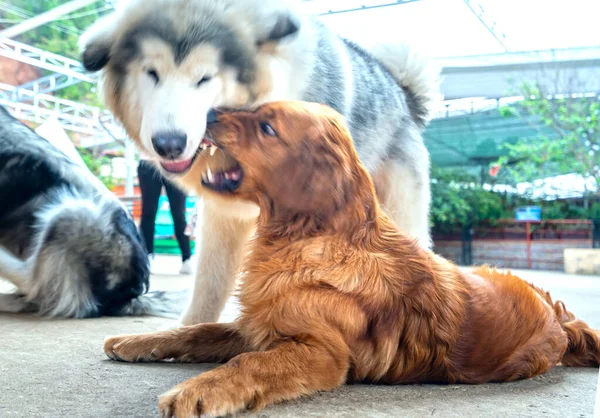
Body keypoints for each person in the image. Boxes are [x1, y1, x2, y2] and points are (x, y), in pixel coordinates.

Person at [137, 155, 192, 275]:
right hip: (149, 163)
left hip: (176, 165)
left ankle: (187, 258)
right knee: (148, 213)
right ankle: (147, 257)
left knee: (179, 214)